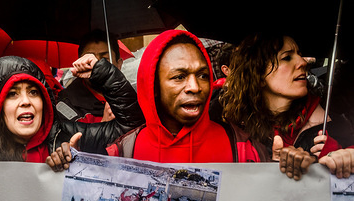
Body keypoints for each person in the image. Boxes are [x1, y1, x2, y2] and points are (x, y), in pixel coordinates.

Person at [0, 53, 144, 173]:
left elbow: (131, 129)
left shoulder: (71, 136)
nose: (26, 101)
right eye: (13, 94)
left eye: (33, 92)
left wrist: (105, 73)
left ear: (45, 101)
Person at [219, 32, 354, 180]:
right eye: (287, 57)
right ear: (257, 74)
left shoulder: (334, 127)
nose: (303, 62)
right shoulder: (230, 126)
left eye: (299, 54)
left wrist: (338, 159)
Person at [105, 30, 235, 163]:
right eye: (179, 77)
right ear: (154, 86)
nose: (195, 87)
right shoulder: (123, 153)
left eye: (202, 75)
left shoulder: (239, 146)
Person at [56, 29, 124, 123]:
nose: (96, 65)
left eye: (104, 59)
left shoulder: (128, 95)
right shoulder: (67, 103)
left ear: (119, 64)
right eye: (89, 59)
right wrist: (105, 125)